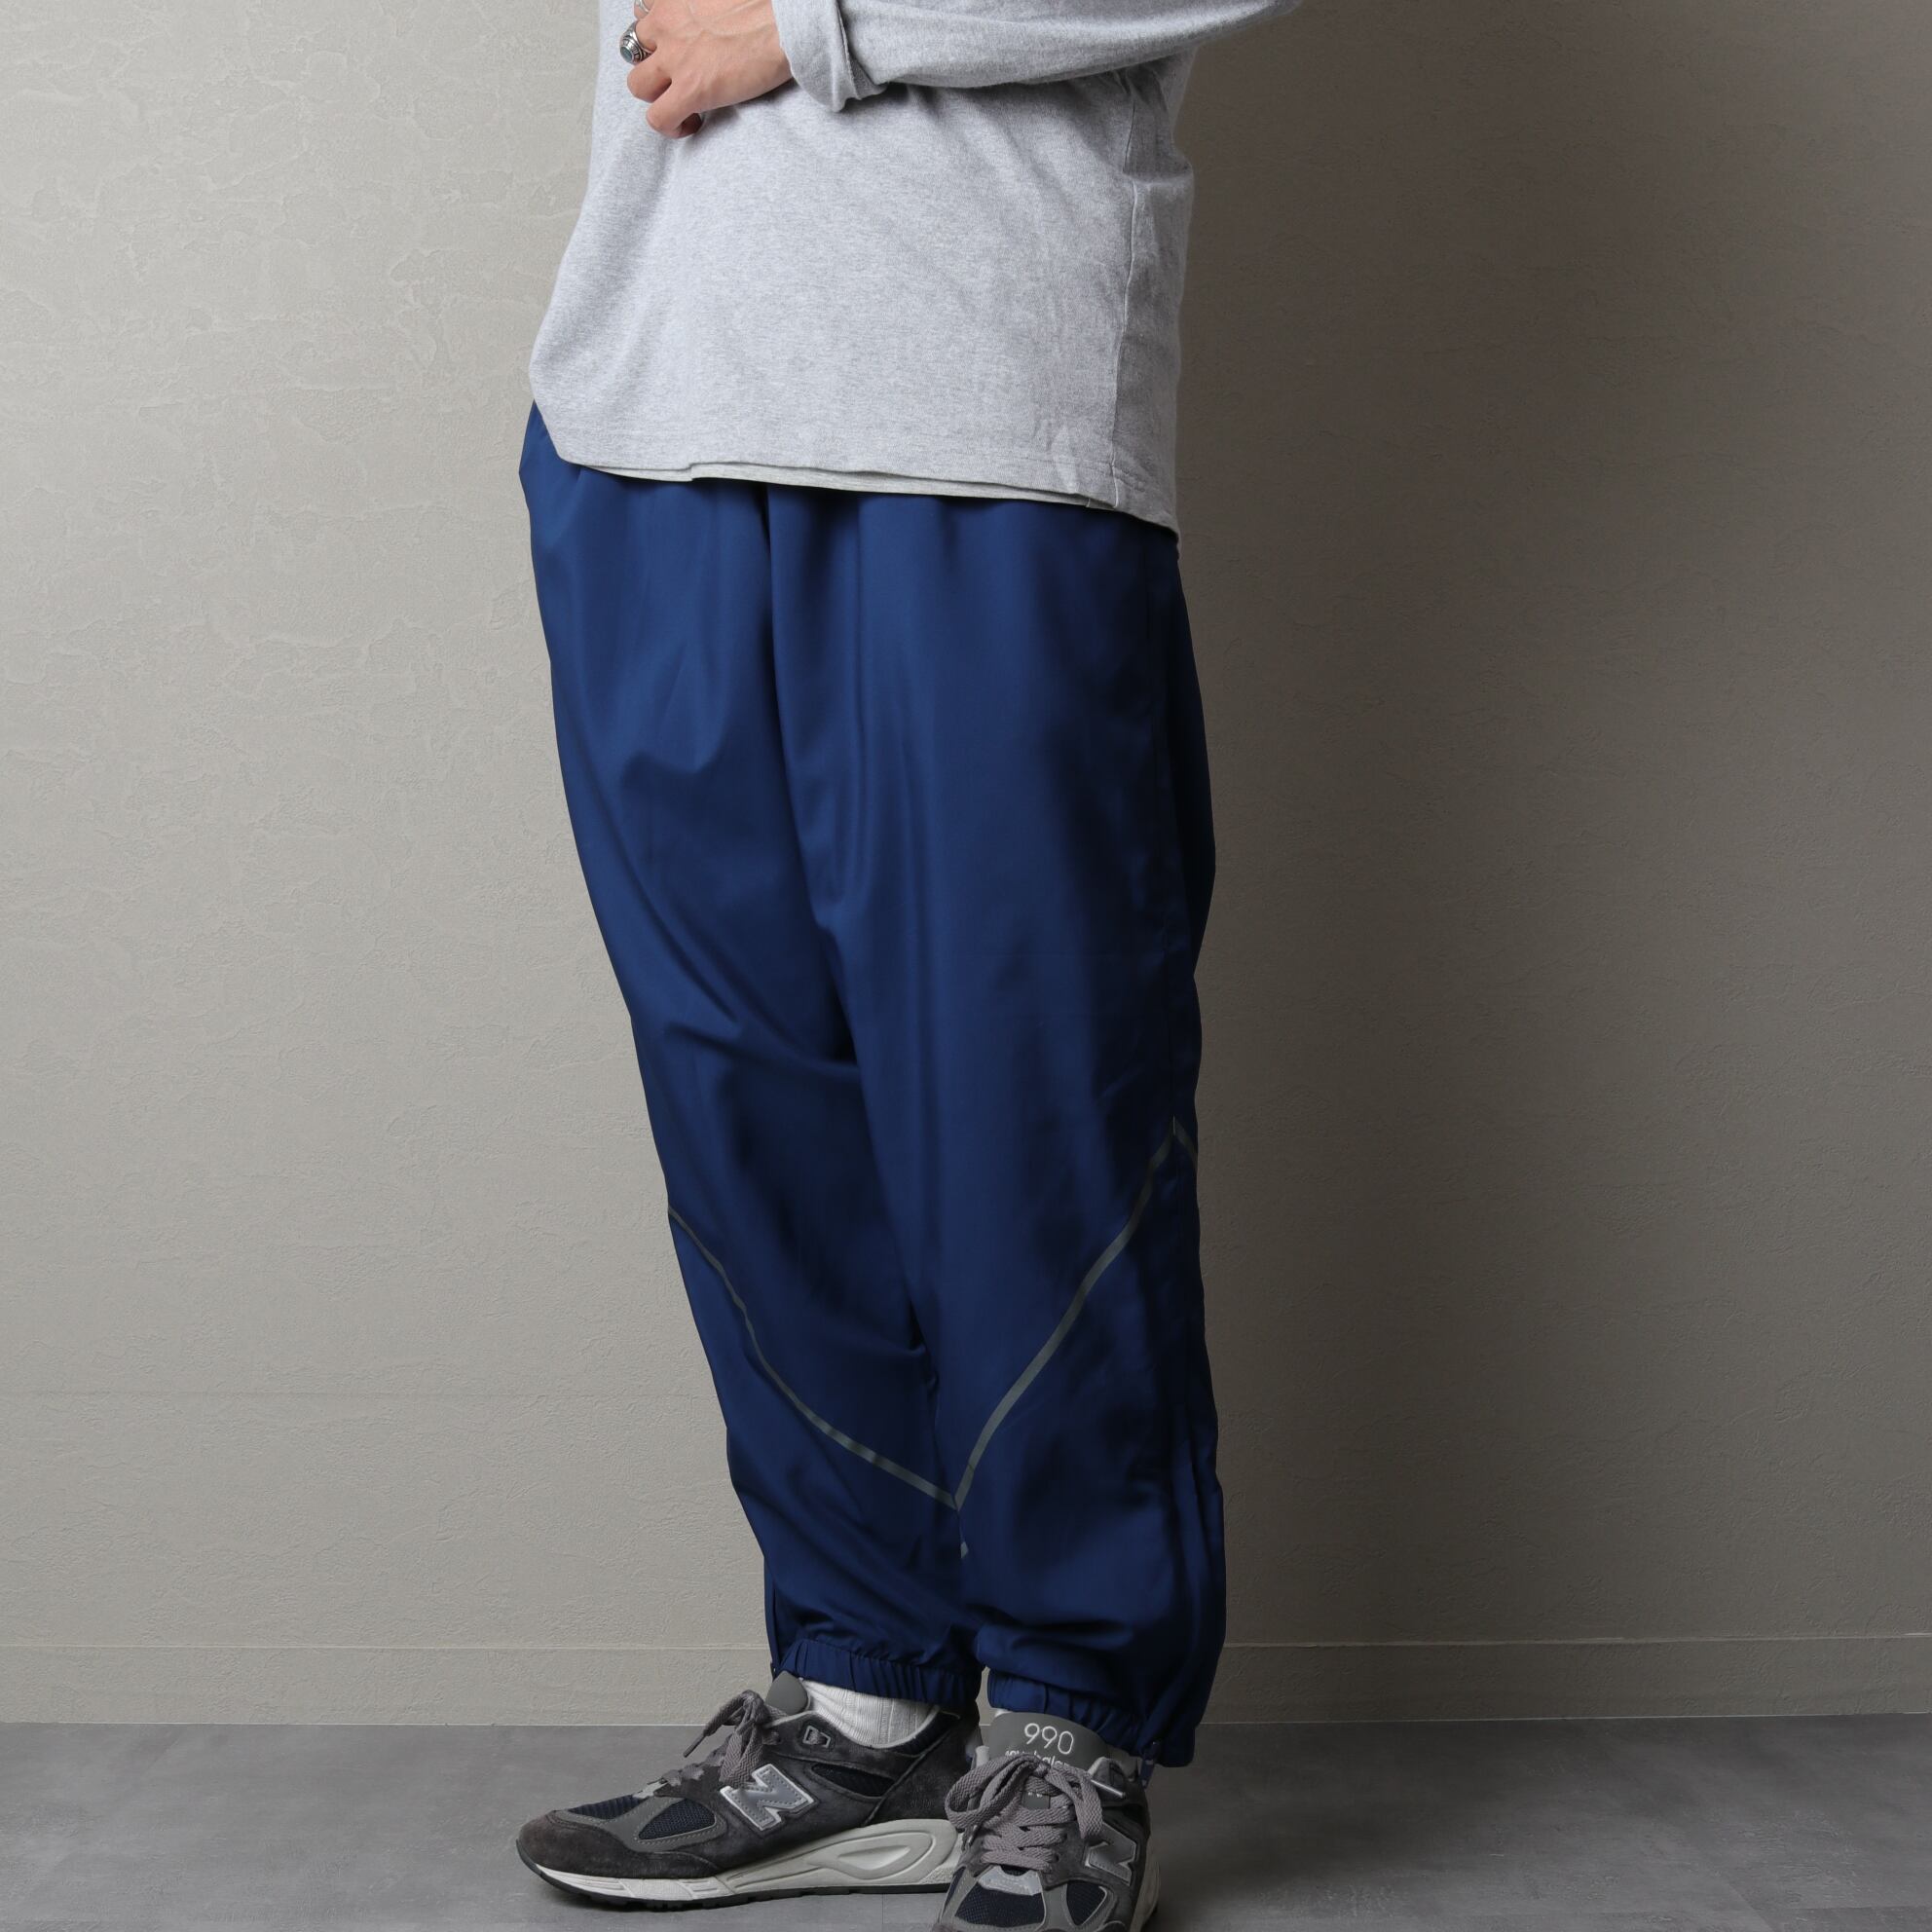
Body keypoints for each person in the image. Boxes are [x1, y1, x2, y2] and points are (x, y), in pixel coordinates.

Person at [513, 0, 1296, 1920]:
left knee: (1031, 1093)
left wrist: (814, 27)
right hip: (650, 409)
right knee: (747, 1100)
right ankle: (866, 1707)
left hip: (976, 417)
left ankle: (1066, 1723)